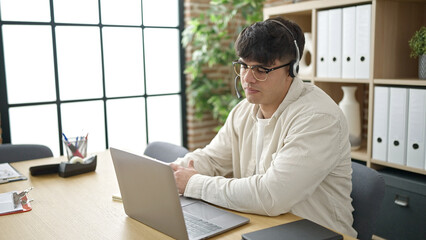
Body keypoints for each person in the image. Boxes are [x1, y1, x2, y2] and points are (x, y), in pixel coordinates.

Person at [171, 16, 357, 237]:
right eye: (243, 65)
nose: (247, 78)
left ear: (293, 69)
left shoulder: (318, 118)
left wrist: (194, 183)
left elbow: (271, 195)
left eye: (261, 69)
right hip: (262, 227)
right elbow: (212, 159)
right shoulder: (243, 111)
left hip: (317, 233)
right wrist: (168, 175)